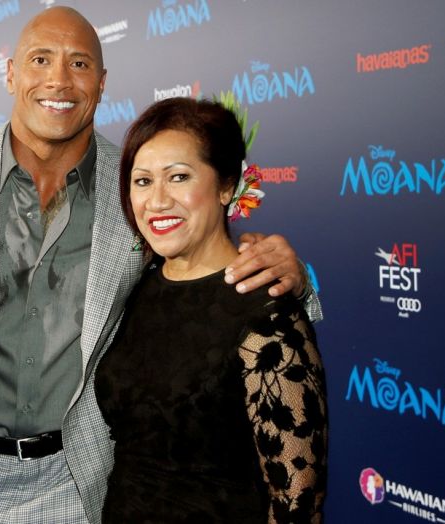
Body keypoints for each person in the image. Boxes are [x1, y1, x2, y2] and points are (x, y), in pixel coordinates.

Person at [0, 7, 320, 523]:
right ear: (10, 72)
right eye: (40, 59)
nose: (59, 79)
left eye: (79, 64)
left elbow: (205, 270)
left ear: (101, 85)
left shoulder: (136, 193)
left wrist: (294, 278)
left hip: (79, 484)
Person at [95, 97, 328, 523]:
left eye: (178, 177)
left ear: (227, 185)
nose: (157, 200)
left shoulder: (267, 315)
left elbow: (297, 505)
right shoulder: (137, 287)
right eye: (142, 181)